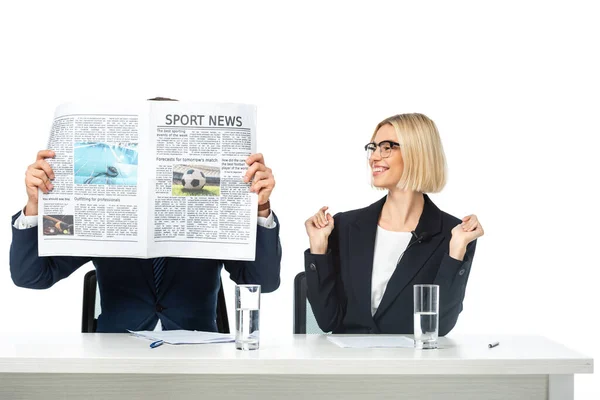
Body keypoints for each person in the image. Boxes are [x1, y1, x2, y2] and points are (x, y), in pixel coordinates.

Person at [10, 98, 281, 333]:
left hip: (197, 356)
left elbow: (263, 283)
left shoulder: (209, 200)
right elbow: (32, 276)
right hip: (117, 357)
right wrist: (34, 206)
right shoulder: (101, 205)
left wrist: (260, 209)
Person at [304, 113, 483, 335]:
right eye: (374, 147)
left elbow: (439, 327)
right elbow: (327, 321)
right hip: (349, 364)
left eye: (387, 147)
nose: (374, 157)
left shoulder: (453, 235)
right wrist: (318, 248)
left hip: (411, 366)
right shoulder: (345, 226)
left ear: (417, 152)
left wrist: (456, 250)